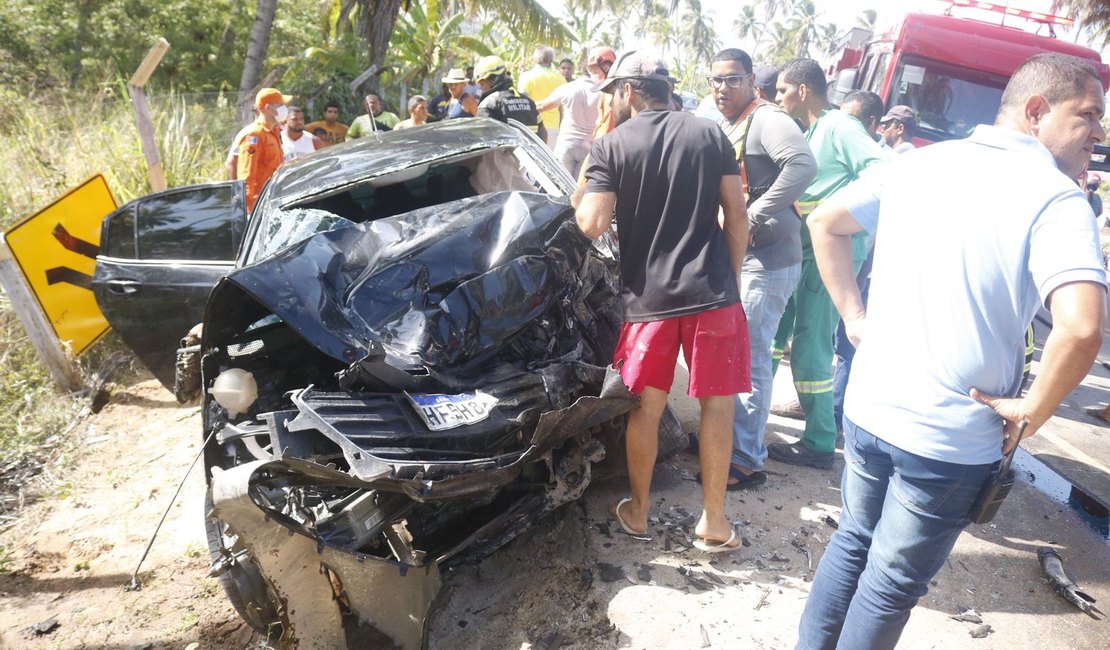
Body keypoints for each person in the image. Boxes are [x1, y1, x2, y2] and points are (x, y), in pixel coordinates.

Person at [797, 52, 1107, 649]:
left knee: (852, 542)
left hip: (870, 407)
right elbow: (1082, 328)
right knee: (888, 582)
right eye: (1088, 114)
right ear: (1037, 111)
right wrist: (1032, 411)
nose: (1099, 132)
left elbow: (826, 222)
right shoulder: (1056, 197)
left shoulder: (919, 163)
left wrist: (855, 319)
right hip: (947, 438)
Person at [575, 51, 751, 552]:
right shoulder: (710, 133)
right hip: (713, 293)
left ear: (629, 91)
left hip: (648, 300)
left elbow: (588, 224)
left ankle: (638, 511)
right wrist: (730, 282)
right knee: (718, 408)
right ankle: (715, 523)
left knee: (645, 410)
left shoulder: (613, 145)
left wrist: (591, 172)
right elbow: (737, 216)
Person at [765, 59, 887, 469]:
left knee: (811, 349)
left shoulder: (839, 127)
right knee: (775, 337)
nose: (778, 99)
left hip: (827, 252)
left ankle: (818, 442)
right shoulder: (813, 130)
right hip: (804, 250)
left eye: (782, 90)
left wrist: (829, 214)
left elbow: (882, 171)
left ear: (802, 90)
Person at [711, 48, 817, 490]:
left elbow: (804, 165)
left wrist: (754, 214)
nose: (722, 88)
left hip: (768, 259)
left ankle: (746, 459)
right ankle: (732, 441)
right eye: (715, 79)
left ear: (752, 80)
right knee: (740, 354)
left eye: (732, 79)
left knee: (750, 359)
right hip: (746, 257)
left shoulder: (768, 119)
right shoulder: (733, 122)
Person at [534, 58, 601, 176]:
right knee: (577, 189)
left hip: (567, 143)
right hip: (589, 146)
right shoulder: (601, 93)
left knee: (559, 187)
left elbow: (541, 106)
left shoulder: (568, 88)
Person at [235, 87, 290, 211]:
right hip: (258, 205)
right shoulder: (254, 134)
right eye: (280, 105)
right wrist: (250, 208)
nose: (284, 109)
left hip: (273, 200)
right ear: (268, 108)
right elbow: (246, 176)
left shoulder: (274, 131)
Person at [473, 55, 547, 141]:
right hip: (529, 153)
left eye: (482, 84)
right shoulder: (529, 102)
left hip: (501, 154)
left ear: (493, 80)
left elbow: (480, 139)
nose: (481, 88)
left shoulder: (489, 104)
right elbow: (543, 135)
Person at [518, 46, 566, 146]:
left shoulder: (526, 77)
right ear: (551, 60)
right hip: (554, 129)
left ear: (534, 59)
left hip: (532, 127)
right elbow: (563, 108)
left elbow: (522, 103)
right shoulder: (561, 78)